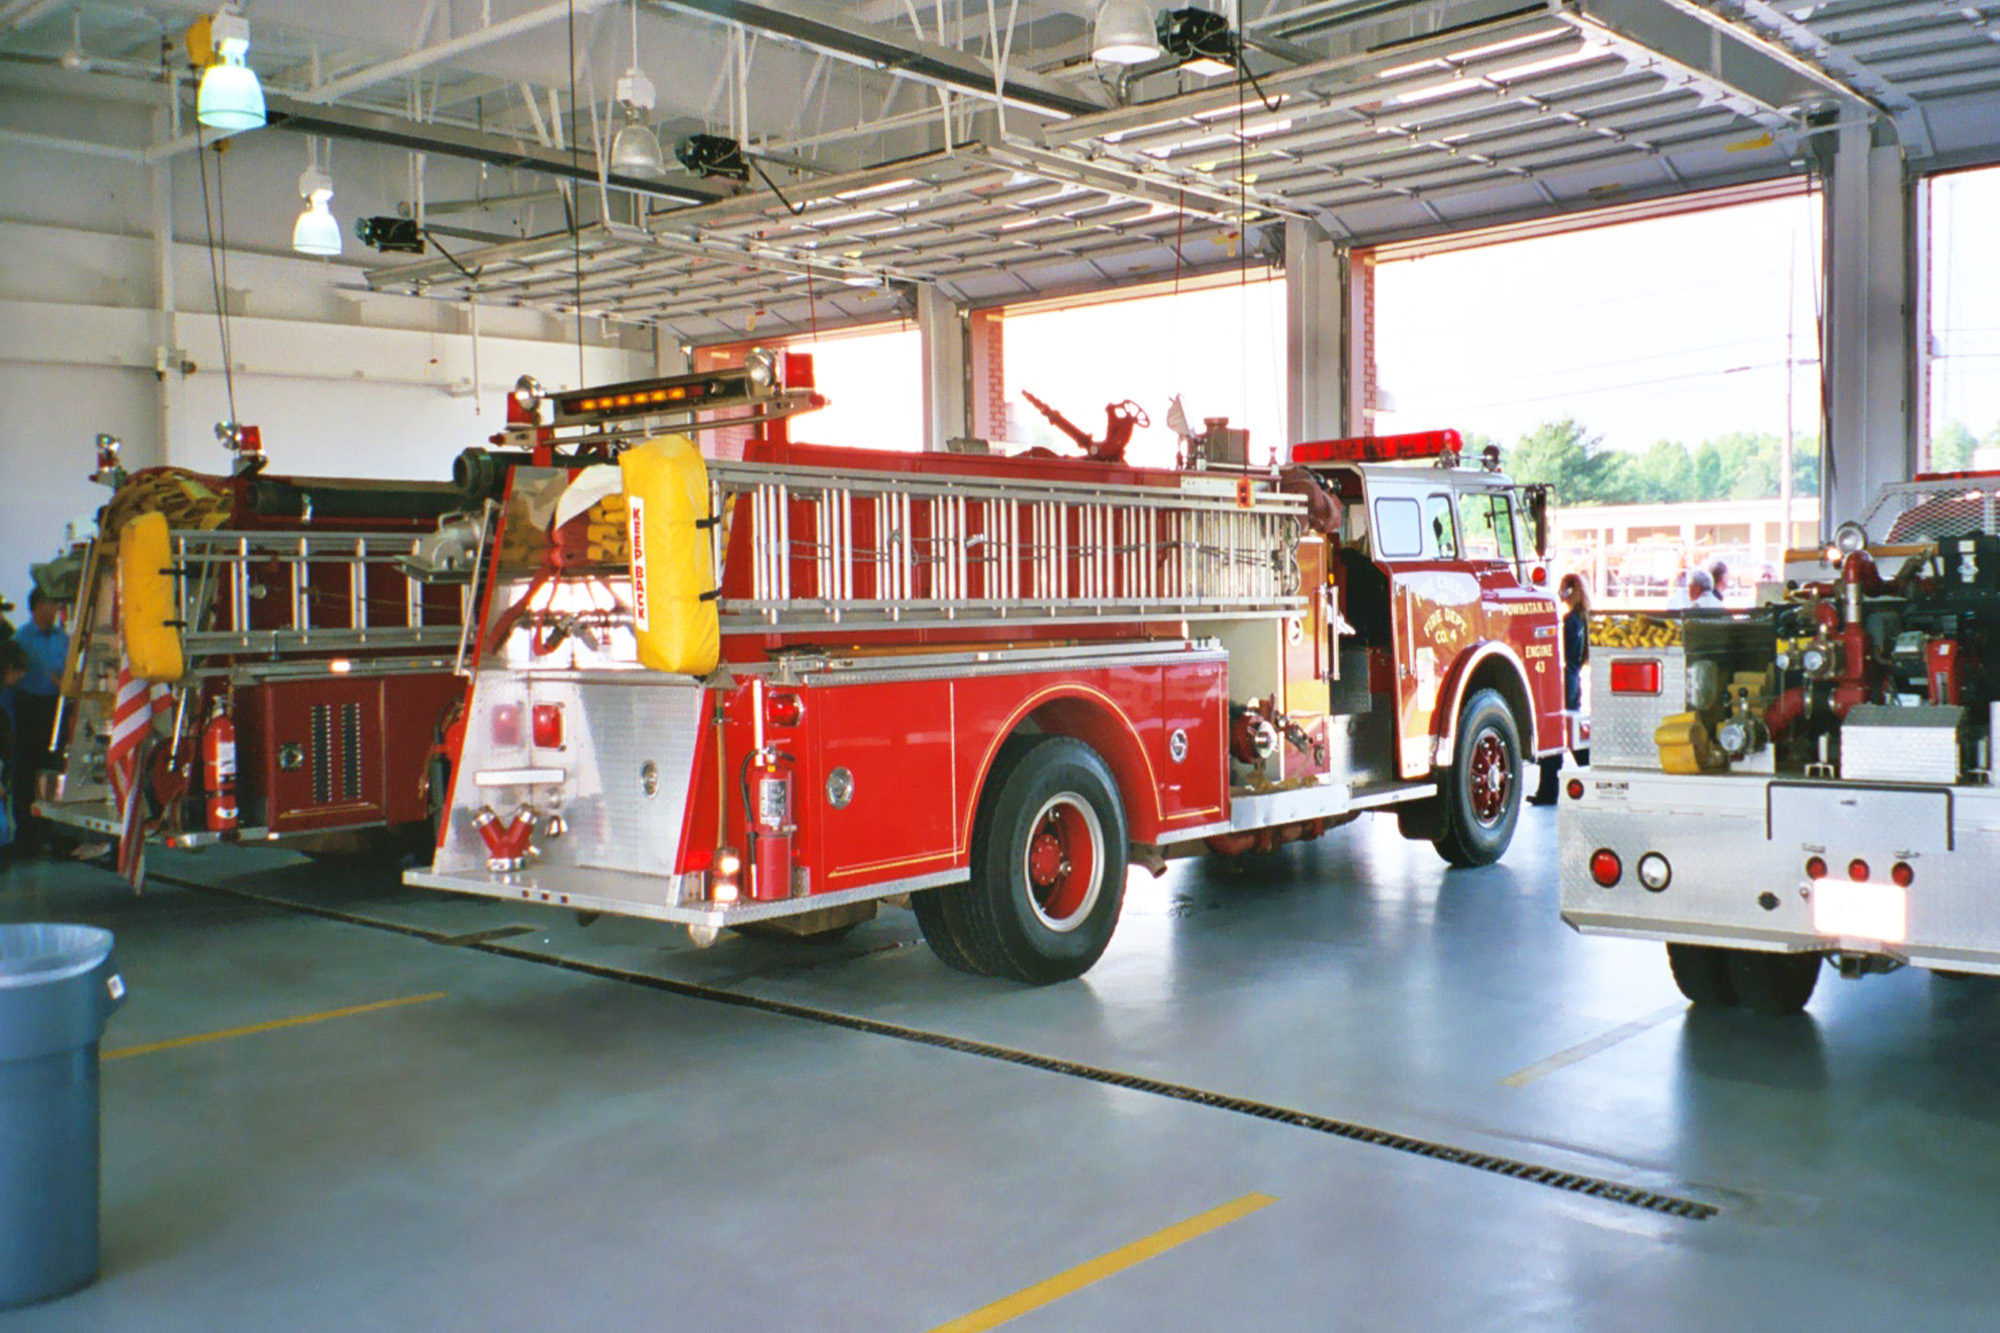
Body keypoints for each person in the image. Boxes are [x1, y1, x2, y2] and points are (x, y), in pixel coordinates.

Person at [11, 588, 69, 855]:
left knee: (55, 771)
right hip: (28, 710)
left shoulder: (64, 639)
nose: (56, 608)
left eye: (57, 604)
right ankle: (26, 838)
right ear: (36, 607)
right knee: (26, 774)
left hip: (56, 709)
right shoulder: (20, 640)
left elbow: (72, 673)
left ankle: (54, 833)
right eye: (52, 603)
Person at [1532, 574, 1591, 804]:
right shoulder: (1583, 618)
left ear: (1570, 591)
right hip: (1573, 681)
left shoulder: (1568, 621)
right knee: (1573, 734)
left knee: (1554, 733)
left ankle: (1548, 791)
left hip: (1563, 682)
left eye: (1562, 590)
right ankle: (1590, 770)